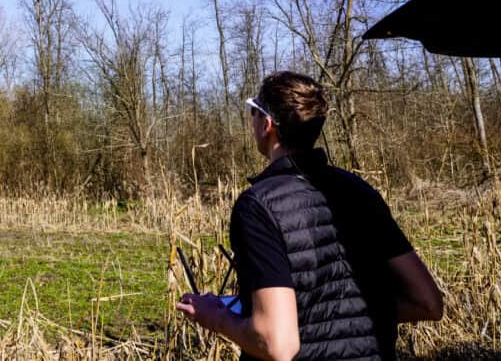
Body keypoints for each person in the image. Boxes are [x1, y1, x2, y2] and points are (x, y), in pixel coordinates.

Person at [176, 71, 443, 361]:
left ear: (267, 125)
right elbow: (427, 303)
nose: (250, 120)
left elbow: (277, 344)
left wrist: (215, 317)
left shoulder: (258, 206)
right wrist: (347, 315)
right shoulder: (360, 191)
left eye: (253, 113)